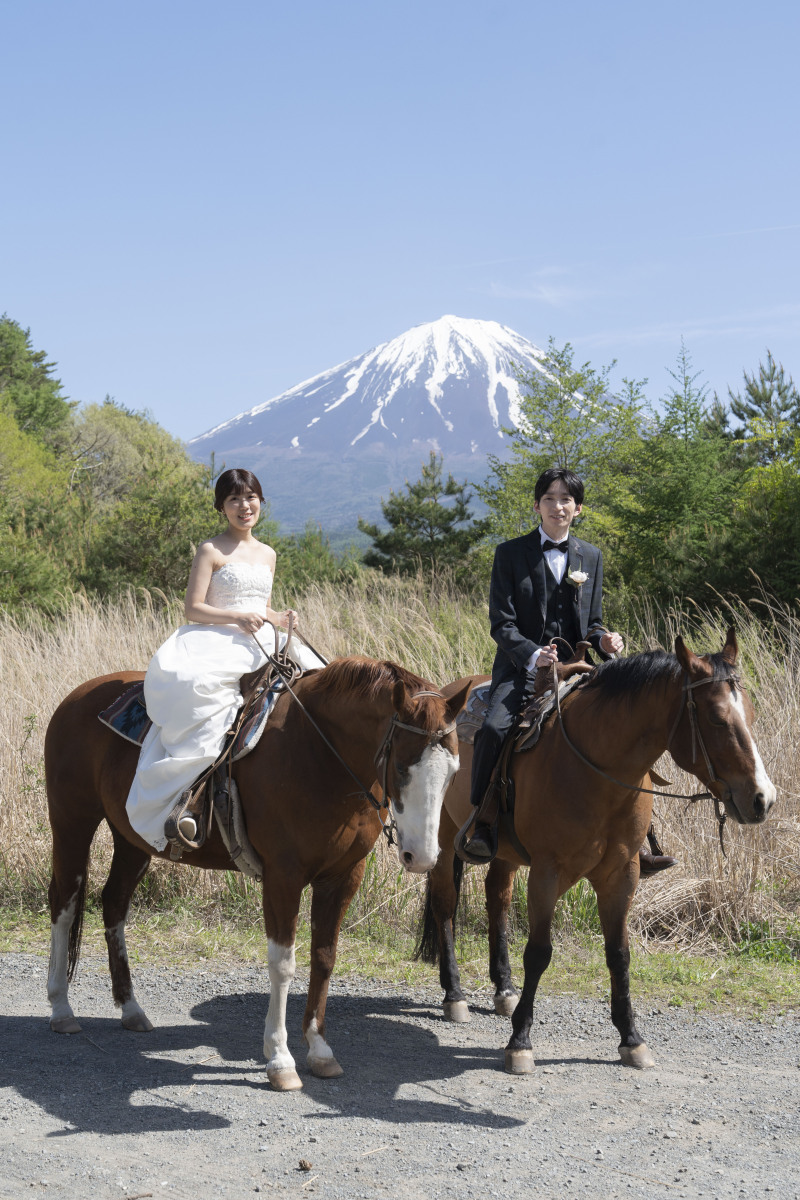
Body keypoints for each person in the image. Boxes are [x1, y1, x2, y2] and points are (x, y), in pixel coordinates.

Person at [462, 466, 677, 874]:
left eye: (566, 500)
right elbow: (501, 624)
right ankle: (482, 822)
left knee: (628, 728)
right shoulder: (509, 553)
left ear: (578, 509)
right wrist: (532, 655)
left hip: (579, 666)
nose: (557, 506)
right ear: (537, 505)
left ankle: (641, 839)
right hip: (521, 668)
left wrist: (605, 640)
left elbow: (591, 622)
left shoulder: (590, 556)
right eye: (549, 499)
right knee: (493, 728)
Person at [125, 467, 325, 851]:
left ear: (260, 502)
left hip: (260, 638)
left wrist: (280, 617)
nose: (244, 506)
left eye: (250, 497)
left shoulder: (268, 553)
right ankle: (189, 799)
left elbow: (261, 607)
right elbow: (193, 609)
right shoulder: (211, 550)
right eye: (234, 499)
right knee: (204, 695)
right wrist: (236, 616)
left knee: (320, 683)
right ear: (222, 507)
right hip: (214, 637)